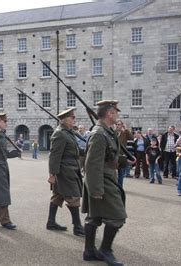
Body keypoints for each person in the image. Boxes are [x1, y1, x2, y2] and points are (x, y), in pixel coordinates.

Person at [82, 100, 126, 265]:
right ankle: (105, 250)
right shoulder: (100, 134)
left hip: (105, 177)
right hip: (101, 180)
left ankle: (89, 251)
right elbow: (91, 163)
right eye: (116, 112)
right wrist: (96, 190)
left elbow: (108, 156)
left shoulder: (107, 132)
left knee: (94, 216)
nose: (117, 115)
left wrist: (123, 161)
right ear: (110, 113)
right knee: (117, 216)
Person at [47, 108, 85, 236]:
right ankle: (78, 226)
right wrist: (52, 175)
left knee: (58, 195)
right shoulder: (60, 134)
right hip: (65, 171)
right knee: (73, 197)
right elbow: (54, 156)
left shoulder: (68, 132)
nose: (74, 119)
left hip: (71, 168)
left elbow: (76, 150)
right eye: (72, 117)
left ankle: (51, 222)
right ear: (64, 120)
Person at [116, 120, 134, 186]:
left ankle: (120, 187)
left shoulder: (125, 133)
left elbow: (132, 137)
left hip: (122, 155)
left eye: (119, 124)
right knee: (114, 172)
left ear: (122, 125)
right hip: (114, 154)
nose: (117, 126)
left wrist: (126, 129)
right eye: (116, 124)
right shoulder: (113, 132)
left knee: (121, 172)